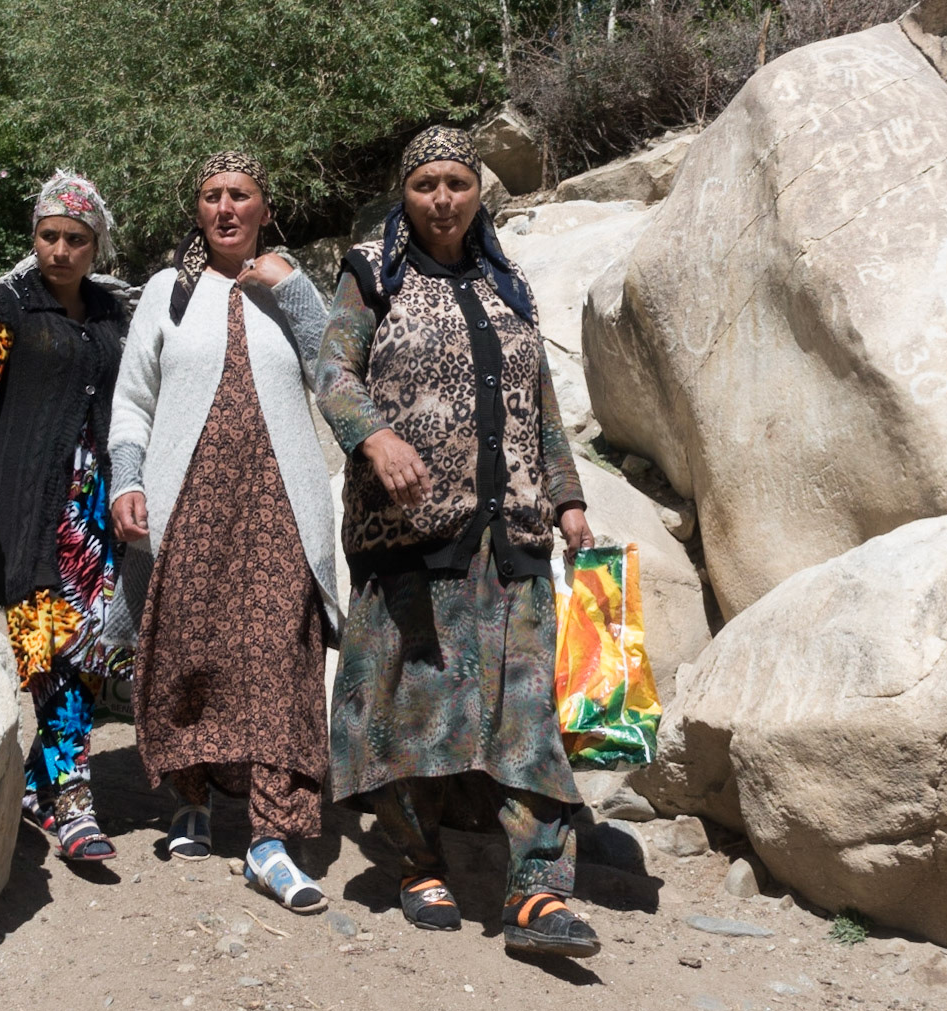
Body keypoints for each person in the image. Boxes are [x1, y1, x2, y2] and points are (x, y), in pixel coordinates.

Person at [315, 126, 601, 958]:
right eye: (424, 184)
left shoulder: (507, 282)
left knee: (527, 712)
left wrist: (567, 496)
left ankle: (537, 890)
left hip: (510, 535)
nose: (442, 198)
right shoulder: (372, 271)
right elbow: (333, 371)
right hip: (405, 534)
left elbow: (539, 403)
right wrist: (374, 438)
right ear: (402, 194)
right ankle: (414, 860)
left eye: (457, 182)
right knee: (403, 701)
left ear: (479, 190)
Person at [106, 151, 339, 914]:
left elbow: (338, 368)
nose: (225, 208)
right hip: (192, 499)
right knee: (190, 646)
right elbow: (133, 399)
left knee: (280, 652)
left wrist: (295, 288)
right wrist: (129, 478)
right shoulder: (166, 294)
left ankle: (270, 838)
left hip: (278, 498)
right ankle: (192, 801)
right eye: (211, 197)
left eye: (240, 195)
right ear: (197, 211)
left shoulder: (284, 285)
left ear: (264, 208)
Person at [0, 170, 132, 863]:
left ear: (96, 246)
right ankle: (75, 801)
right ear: (34, 237)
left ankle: (37, 785)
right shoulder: (2, 306)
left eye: (75, 239)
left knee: (86, 654)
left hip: (100, 514)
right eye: (49, 235)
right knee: (43, 648)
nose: (60, 249)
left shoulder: (114, 313)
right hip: (29, 508)